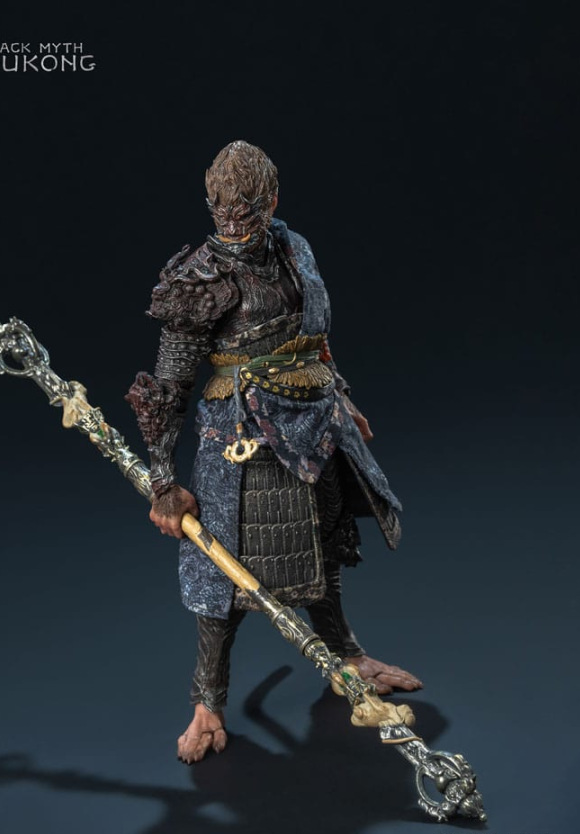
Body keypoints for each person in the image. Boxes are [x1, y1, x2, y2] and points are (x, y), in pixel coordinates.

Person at [126, 141, 421, 764]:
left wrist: (342, 396)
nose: (234, 227)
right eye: (223, 213)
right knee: (225, 572)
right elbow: (166, 389)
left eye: (247, 213)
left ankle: (345, 656)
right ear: (210, 205)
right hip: (241, 438)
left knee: (321, 545)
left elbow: (314, 337)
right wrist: (163, 482)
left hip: (313, 420)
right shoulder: (200, 277)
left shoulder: (293, 248)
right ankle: (207, 702)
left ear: (272, 201)